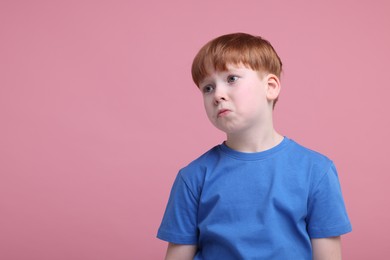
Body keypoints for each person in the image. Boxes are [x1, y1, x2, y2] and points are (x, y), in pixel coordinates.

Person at [157, 32, 352, 259]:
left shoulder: (317, 171)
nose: (217, 95)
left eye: (231, 79)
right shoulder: (192, 177)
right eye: (207, 88)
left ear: (270, 86)